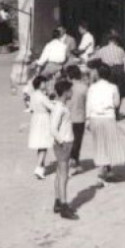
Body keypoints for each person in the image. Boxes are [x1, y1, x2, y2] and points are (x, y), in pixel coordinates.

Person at [85, 63, 125, 182]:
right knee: (109, 143)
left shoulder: (92, 87)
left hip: (95, 117)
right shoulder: (113, 87)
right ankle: (107, 171)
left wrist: (87, 119)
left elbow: (88, 104)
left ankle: (102, 171)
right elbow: (117, 103)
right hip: (108, 117)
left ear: (98, 74)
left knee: (99, 144)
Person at [48, 76, 78, 220]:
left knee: (60, 173)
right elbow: (53, 128)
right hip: (64, 144)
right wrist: (61, 141)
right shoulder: (59, 108)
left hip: (64, 143)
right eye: (70, 90)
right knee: (64, 175)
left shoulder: (61, 106)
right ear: (65, 92)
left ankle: (58, 201)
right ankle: (64, 206)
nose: (72, 92)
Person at [25, 73, 55, 179]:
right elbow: (51, 107)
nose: (46, 84)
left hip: (35, 119)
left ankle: (41, 167)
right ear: (40, 84)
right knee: (44, 145)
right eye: (44, 83)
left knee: (40, 144)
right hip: (44, 120)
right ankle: (38, 167)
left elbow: (31, 108)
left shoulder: (33, 95)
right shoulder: (42, 97)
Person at [65, 64, 90, 173]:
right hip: (80, 117)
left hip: (67, 118)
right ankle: (75, 160)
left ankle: (70, 161)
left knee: (68, 140)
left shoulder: (66, 87)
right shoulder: (84, 87)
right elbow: (88, 103)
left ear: (69, 76)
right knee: (77, 141)